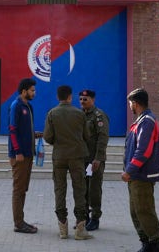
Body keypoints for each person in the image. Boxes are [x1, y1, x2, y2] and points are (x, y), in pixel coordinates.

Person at [43, 85, 92, 240]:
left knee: (60, 190)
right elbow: (87, 135)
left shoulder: (52, 113)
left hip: (59, 156)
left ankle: (63, 228)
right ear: (70, 97)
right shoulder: (80, 114)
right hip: (77, 156)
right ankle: (80, 228)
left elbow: (48, 137)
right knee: (79, 189)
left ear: (58, 97)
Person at [121, 88, 159, 252]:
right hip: (136, 175)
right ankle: (147, 242)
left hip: (141, 175)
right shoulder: (141, 121)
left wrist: (129, 170)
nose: (129, 106)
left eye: (130, 103)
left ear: (135, 103)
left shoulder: (147, 121)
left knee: (144, 210)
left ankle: (156, 244)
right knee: (136, 211)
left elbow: (144, 150)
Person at [8, 78, 42, 234]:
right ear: (24, 91)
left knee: (23, 189)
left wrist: (33, 135)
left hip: (28, 154)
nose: (34, 93)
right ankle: (18, 223)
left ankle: (21, 221)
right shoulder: (17, 106)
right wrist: (17, 152)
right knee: (18, 189)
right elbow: (12, 130)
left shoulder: (28, 106)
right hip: (20, 156)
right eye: (32, 90)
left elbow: (23, 130)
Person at [78, 89, 109, 231]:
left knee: (94, 189)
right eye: (80, 99)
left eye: (85, 99)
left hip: (93, 160)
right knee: (82, 189)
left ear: (93, 100)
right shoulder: (79, 115)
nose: (82, 102)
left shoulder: (98, 116)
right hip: (82, 158)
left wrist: (98, 158)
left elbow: (102, 138)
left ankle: (95, 217)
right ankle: (84, 217)